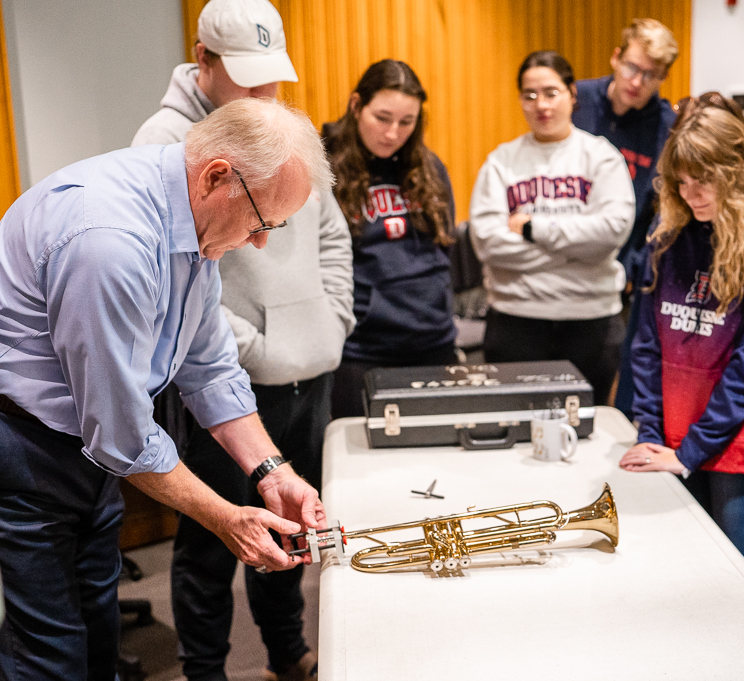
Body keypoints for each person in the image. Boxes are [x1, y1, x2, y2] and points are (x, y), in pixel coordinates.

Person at [0, 97, 330, 681]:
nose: (260, 243)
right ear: (217, 176)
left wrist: (272, 472)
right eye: (260, 223)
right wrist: (228, 518)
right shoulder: (110, 240)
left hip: (86, 445)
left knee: (97, 634)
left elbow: (211, 370)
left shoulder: (194, 220)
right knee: (48, 655)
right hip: (26, 449)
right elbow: (123, 436)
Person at [133, 2, 355, 679]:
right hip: (225, 379)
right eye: (247, 80)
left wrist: (332, 318)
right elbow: (178, 284)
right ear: (203, 59)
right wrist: (253, 347)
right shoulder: (165, 141)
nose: (263, 95)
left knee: (289, 522)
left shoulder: (286, 128)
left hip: (309, 364)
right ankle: (204, 669)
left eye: (272, 80)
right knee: (212, 539)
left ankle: (286, 650)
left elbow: (331, 235)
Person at [617, 93, 744, 570]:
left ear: (737, 170)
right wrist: (650, 430)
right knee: (675, 565)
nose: (690, 194)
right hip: (670, 435)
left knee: (730, 575)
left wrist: (690, 451)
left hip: (735, 446)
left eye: (703, 180)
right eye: (680, 182)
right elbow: (646, 347)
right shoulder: (669, 239)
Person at [470, 51, 635, 402]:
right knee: (515, 435)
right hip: (516, 323)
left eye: (550, 92)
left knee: (586, 431)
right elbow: (487, 243)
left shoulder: (602, 158)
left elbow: (609, 235)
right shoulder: (501, 162)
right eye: (529, 95)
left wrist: (533, 231)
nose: (541, 105)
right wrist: (577, 253)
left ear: (572, 94)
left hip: (592, 324)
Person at [322, 59, 457, 418]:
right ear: (356, 105)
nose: (393, 133)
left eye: (406, 122)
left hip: (433, 343)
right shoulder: (323, 167)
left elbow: (444, 251)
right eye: (382, 118)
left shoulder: (429, 167)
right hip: (360, 352)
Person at [571, 18, 679, 415]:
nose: (637, 81)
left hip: (618, 272)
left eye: (651, 76)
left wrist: (637, 263)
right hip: (563, 256)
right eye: (632, 67)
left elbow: (663, 205)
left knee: (599, 387)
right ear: (616, 57)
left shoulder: (667, 126)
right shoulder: (576, 100)